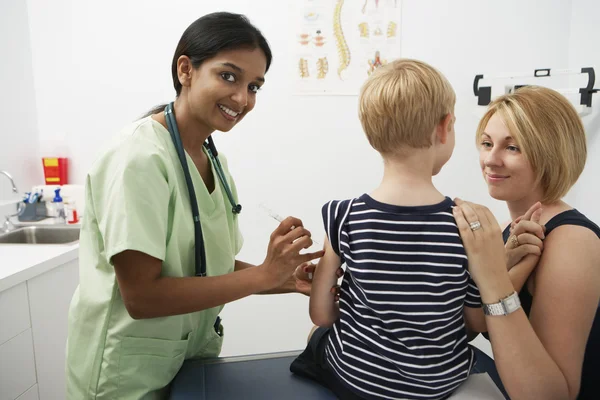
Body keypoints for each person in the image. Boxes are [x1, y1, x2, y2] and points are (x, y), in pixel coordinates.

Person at [65, 12, 324, 399]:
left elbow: (204, 267)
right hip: (124, 374)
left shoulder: (210, 159)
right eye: (229, 76)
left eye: (254, 86)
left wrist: (287, 279)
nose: (242, 98)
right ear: (186, 69)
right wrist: (263, 275)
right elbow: (141, 296)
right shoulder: (139, 157)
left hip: (184, 363)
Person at [290, 59, 490, 399]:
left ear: (371, 135)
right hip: (437, 386)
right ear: (445, 127)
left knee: (316, 334)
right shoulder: (465, 225)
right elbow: (475, 325)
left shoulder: (344, 215)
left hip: (360, 384)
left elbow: (322, 315)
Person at [453, 86, 600, 400]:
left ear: (551, 152)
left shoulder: (571, 241)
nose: (490, 160)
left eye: (513, 148)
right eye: (487, 143)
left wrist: (493, 279)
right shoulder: (507, 230)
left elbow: (552, 396)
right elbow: (466, 328)